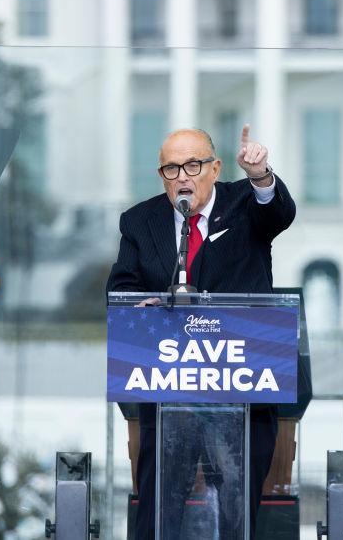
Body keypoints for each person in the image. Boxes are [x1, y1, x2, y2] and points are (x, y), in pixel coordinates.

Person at [107, 124, 296, 539]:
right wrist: (143, 305)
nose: (182, 177)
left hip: (241, 385)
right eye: (171, 169)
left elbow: (278, 214)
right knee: (159, 509)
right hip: (171, 387)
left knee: (235, 508)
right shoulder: (140, 221)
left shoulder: (245, 202)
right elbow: (121, 291)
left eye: (192, 165)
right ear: (162, 176)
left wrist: (261, 175)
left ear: (215, 167)